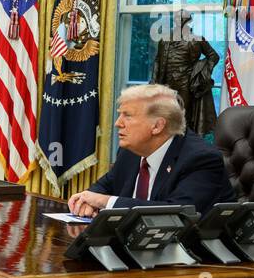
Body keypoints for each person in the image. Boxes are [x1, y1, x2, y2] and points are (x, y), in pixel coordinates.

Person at [68, 83, 236, 218]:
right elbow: (106, 185)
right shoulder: (131, 150)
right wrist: (87, 200)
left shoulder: (201, 159)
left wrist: (105, 202)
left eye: (127, 115)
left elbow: (178, 213)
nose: (118, 123)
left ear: (157, 126)